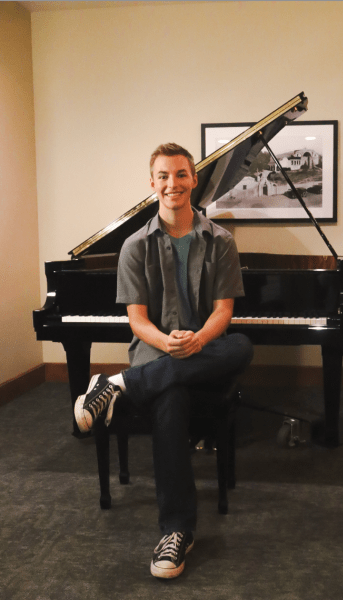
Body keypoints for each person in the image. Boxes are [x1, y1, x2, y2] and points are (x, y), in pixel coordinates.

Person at [74, 143, 253, 579]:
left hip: (206, 352)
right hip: (158, 356)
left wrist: (196, 341)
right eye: (163, 176)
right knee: (171, 397)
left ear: (194, 179)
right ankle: (177, 531)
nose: (172, 184)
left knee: (241, 344)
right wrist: (168, 343)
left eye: (181, 175)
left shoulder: (222, 242)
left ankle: (117, 385)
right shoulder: (134, 247)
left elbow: (223, 313)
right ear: (152, 183)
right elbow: (137, 322)